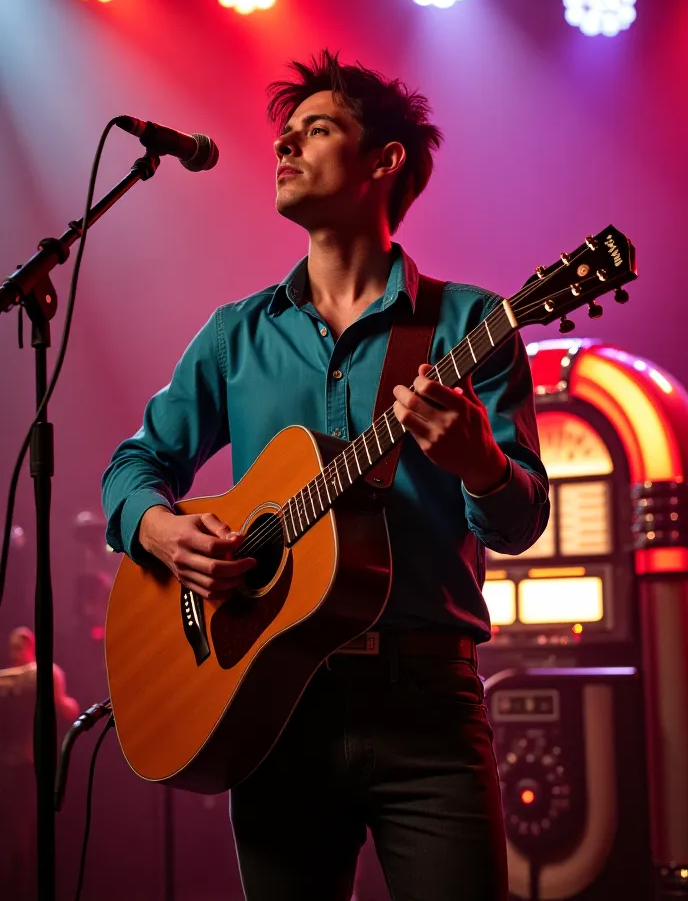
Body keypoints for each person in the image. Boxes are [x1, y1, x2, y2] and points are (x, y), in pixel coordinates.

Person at [102, 50, 550, 900]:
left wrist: (477, 461)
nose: (285, 147)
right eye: (283, 134)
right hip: (275, 707)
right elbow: (136, 465)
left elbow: (519, 523)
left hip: (426, 706)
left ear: (384, 161)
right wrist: (164, 530)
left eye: (316, 129)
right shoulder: (237, 334)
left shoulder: (473, 323)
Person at [0, 627, 79, 899]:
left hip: (26, 766)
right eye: (12, 646)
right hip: (12, 767)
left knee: (21, 836)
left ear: (30, 646)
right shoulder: (18, 678)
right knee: (14, 837)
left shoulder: (40, 673)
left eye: (19, 645)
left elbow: (68, 708)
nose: (14, 652)